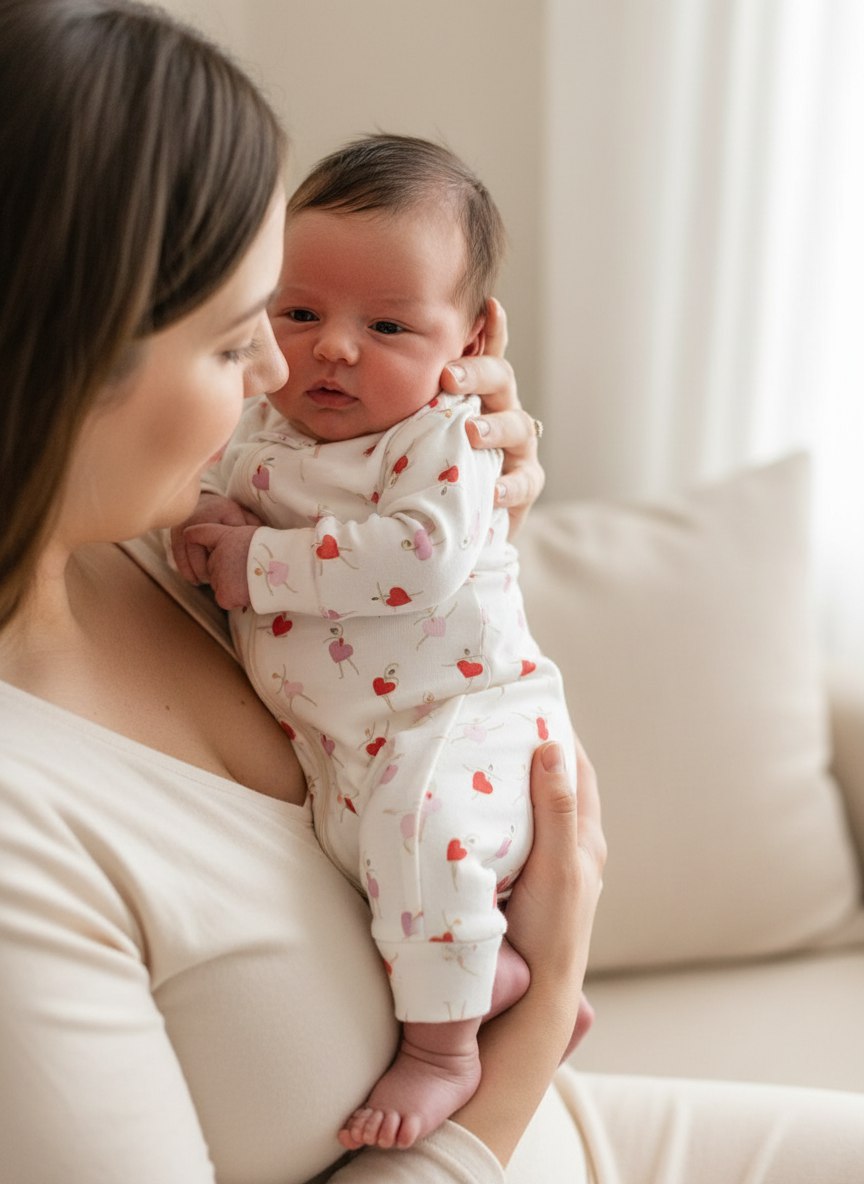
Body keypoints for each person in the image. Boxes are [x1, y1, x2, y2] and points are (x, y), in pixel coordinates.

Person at [2, 4, 864, 1184]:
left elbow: (402, 599)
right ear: (56, 361)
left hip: (590, 1137)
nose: (280, 371)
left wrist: (453, 472)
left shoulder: (155, 535)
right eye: (239, 335)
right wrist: (536, 1011)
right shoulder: (24, 836)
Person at [170, 133, 579, 1151]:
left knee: (412, 828)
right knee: (364, 851)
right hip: (361, 737)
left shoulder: (444, 436)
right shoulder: (265, 424)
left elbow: (417, 559)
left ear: (475, 334)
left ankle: (445, 1049)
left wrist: (250, 562)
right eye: (298, 312)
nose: (333, 348)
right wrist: (199, 519)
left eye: (389, 323)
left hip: (462, 720)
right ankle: (499, 979)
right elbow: (207, 492)